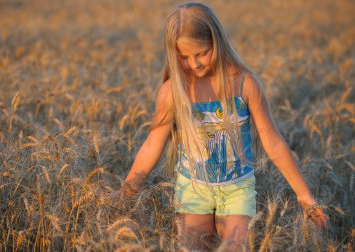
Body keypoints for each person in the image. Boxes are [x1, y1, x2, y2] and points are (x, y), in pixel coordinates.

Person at [112, 2, 327, 251]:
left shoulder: (244, 83)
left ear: (217, 41)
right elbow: (153, 143)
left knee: (236, 246)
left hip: (237, 187)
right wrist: (128, 190)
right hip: (192, 187)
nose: (194, 64)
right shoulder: (173, 91)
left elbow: (273, 142)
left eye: (201, 53)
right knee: (192, 247)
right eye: (183, 57)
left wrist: (304, 196)